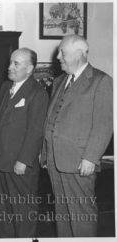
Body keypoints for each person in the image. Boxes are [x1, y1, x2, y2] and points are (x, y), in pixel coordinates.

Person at [41, 34, 113, 237]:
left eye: (62, 52)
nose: (58, 57)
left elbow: (104, 124)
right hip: (55, 161)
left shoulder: (101, 81)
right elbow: (51, 119)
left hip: (80, 161)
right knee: (62, 213)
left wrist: (90, 157)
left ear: (80, 53)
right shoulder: (59, 81)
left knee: (81, 215)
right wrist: (46, 153)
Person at [0, 48, 49, 237]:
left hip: (20, 165)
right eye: (10, 62)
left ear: (30, 68)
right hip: (2, 162)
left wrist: (24, 160)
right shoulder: (4, 87)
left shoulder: (38, 93)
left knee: (23, 213)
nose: (10, 67)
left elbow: (36, 131)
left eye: (16, 64)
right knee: (5, 212)